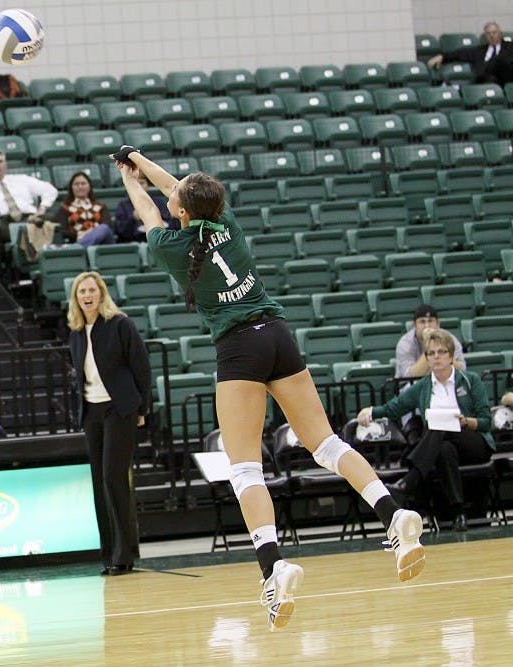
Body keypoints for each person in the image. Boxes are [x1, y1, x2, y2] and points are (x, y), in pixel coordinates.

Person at [114, 146, 425, 631]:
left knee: (244, 470)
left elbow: (152, 205)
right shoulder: (227, 222)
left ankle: (274, 567)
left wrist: (128, 175)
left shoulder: (170, 245)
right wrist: (140, 157)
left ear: (183, 209)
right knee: (326, 443)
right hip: (277, 333)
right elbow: (178, 188)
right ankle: (393, 513)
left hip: (238, 347)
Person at [358, 330, 493, 532]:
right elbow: (395, 407)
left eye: (442, 352)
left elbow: (486, 421)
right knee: (445, 448)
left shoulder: (470, 380)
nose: (437, 357)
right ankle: (458, 513)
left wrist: (466, 422)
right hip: (443, 446)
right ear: (427, 359)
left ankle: (410, 481)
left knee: (440, 429)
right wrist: (371, 411)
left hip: (473, 441)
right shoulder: (423, 386)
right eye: (431, 353)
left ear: (451, 355)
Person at [67, 272, 150, 576]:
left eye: (92, 290)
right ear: (76, 299)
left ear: (101, 294)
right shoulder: (76, 332)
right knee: (100, 483)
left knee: (114, 478)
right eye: (81, 292)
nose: (87, 296)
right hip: (91, 413)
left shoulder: (120, 325)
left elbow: (142, 367)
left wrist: (143, 407)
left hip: (120, 409)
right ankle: (108, 555)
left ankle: (123, 554)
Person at [0, 149, 58, 275]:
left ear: (6, 164)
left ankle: (56, 260)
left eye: (1, 161)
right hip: (4, 226)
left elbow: (50, 190)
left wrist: (42, 207)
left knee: (53, 217)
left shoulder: (22, 180)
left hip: (30, 220)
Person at [427, 21, 513, 86]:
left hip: (503, 82)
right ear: (485, 36)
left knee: (501, 61)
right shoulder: (480, 51)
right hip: (483, 82)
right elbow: (461, 53)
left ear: (500, 33)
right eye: (488, 33)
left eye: (494, 32)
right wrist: (442, 57)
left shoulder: (509, 47)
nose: (491, 35)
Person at [395, 304, 466, 379]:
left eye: (430, 321)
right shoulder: (405, 343)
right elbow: (409, 375)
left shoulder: (449, 338)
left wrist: (445, 353)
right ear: (414, 325)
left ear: (438, 324)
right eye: (422, 322)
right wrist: (428, 345)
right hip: (413, 384)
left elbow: (462, 369)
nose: (427, 326)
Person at [49, 172, 115, 247]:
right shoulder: (65, 208)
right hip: (77, 240)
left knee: (104, 228)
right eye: (76, 184)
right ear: (71, 187)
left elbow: (107, 226)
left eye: (83, 184)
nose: (80, 187)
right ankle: (81, 246)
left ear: (89, 186)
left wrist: (89, 233)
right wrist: (76, 234)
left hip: (102, 244)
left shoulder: (101, 207)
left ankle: (78, 247)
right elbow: (62, 231)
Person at [113, 173, 174, 243]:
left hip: (158, 240)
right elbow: (120, 231)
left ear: (148, 186)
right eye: (135, 183)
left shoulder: (159, 203)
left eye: (142, 183)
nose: (139, 186)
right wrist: (133, 218)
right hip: (133, 243)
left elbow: (170, 225)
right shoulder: (123, 206)